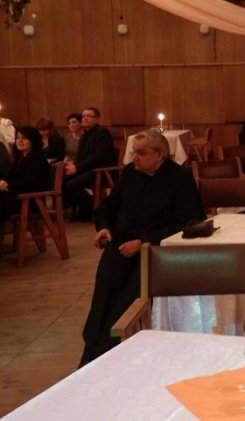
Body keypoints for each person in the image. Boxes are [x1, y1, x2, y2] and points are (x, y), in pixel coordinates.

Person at [80, 130, 205, 365]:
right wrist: (104, 227)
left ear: (159, 154)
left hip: (154, 252)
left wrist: (144, 242)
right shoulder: (130, 173)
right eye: (133, 152)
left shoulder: (179, 177)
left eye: (141, 153)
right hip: (121, 247)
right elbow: (109, 205)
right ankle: (93, 355)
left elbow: (189, 222)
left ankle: (117, 355)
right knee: (104, 296)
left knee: (125, 301)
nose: (134, 158)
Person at [64, 107, 116, 220]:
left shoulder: (102, 132)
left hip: (101, 171)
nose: (85, 118)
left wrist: (77, 168)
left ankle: (89, 208)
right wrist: (73, 165)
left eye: (89, 116)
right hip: (88, 169)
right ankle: (82, 209)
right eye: (83, 116)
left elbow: (98, 156)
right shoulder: (85, 135)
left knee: (71, 184)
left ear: (97, 119)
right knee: (62, 180)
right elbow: (81, 156)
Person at [0, 127, 51, 225]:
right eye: (17, 138)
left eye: (24, 138)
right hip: (18, 197)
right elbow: (10, 176)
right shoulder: (19, 158)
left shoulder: (38, 159)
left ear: (33, 140)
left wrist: (8, 186)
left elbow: (32, 183)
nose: (20, 141)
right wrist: (4, 182)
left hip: (30, 201)